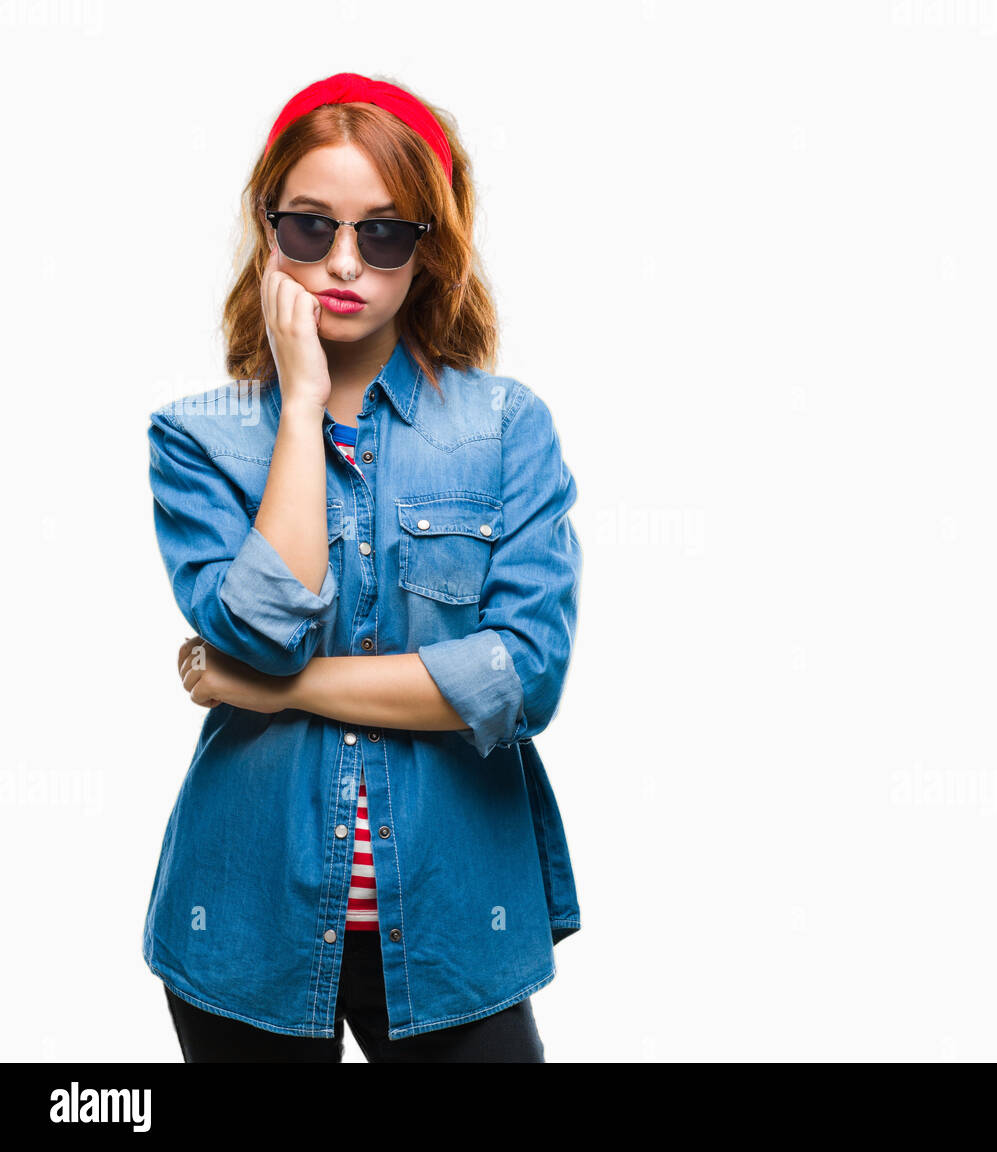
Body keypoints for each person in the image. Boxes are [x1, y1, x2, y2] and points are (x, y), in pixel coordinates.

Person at [142, 72, 583, 1063]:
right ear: (268, 232)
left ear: (427, 253)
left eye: (383, 234)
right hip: (245, 920)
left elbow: (520, 679)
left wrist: (269, 688)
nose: (344, 263)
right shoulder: (198, 439)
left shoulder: (507, 430)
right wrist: (300, 407)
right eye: (310, 229)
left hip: (456, 920)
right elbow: (264, 624)